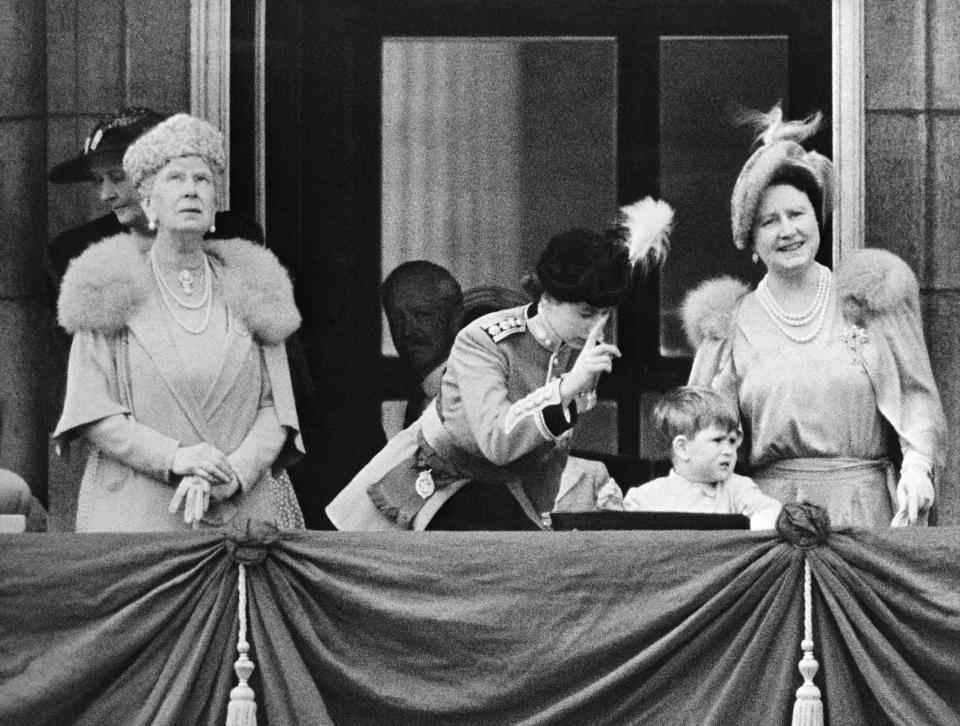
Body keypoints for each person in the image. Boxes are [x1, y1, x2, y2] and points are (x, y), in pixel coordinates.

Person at [326, 198, 673, 531]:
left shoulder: (573, 348)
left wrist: (542, 515)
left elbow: (551, 452)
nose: (595, 326)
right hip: (433, 489)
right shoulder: (483, 340)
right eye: (585, 314)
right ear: (548, 298)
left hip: (501, 490)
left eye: (603, 315)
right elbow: (497, 442)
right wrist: (565, 389)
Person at [683, 104, 946, 528]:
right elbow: (702, 437)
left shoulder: (868, 300)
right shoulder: (730, 326)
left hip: (863, 513)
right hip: (770, 521)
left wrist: (917, 467)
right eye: (769, 221)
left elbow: (915, 397)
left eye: (797, 214)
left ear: (818, 218)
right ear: (751, 239)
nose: (787, 231)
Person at [52, 114, 304, 531]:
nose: (190, 190)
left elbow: (277, 406)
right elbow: (91, 408)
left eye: (202, 179)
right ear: (147, 199)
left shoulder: (255, 281)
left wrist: (234, 475)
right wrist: (177, 459)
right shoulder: (102, 282)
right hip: (140, 513)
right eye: (174, 179)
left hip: (243, 512)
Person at [597, 387, 781, 530]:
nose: (729, 450)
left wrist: (763, 524)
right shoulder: (644, 498)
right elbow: (625, 544)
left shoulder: (738, 489)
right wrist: (613, 513)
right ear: (682, 448)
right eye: (717, 440)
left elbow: (768, 511)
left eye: (732, 441)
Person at [382, 261, 464, 428]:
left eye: (421, 315)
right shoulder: (420, 397)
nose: (407, 331)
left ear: (455, 319)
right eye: (397, 319)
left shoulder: (473, 394)